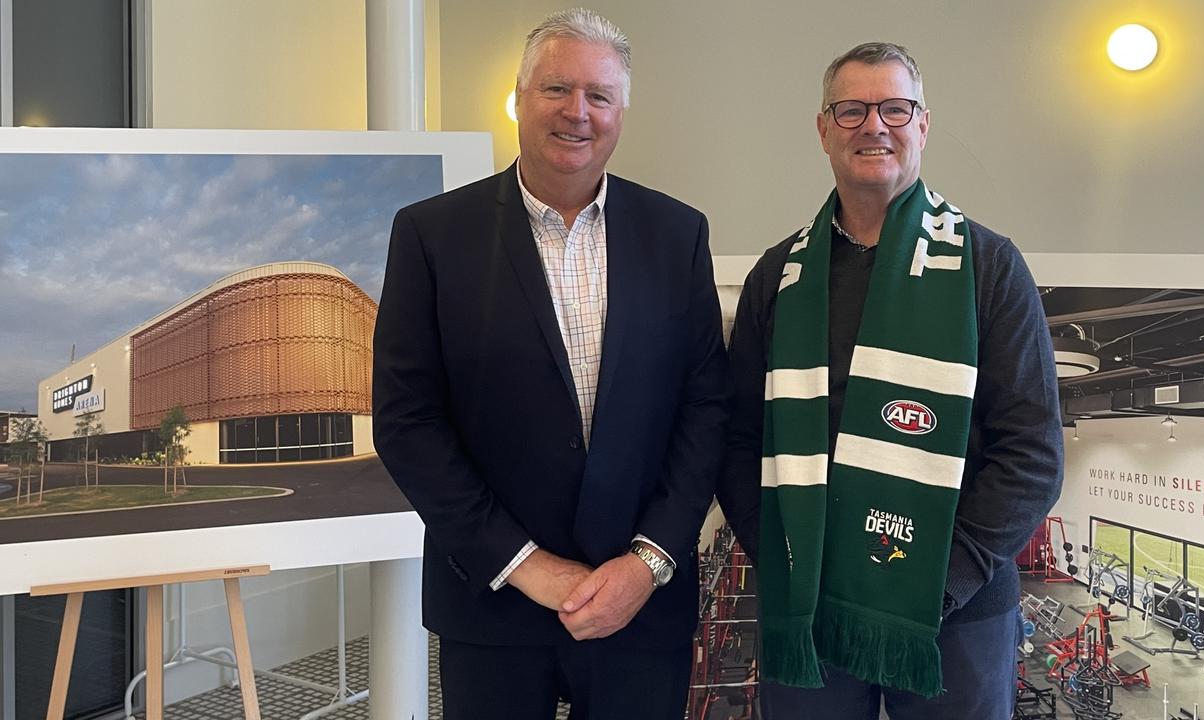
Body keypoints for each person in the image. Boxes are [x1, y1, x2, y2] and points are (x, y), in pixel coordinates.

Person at [372, 8, 728, 720]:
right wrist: (524, 564)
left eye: (599, 96)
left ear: (621, 112)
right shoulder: (431, 235)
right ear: (518, 98)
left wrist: (648, 561)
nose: (578, 113)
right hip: (493, 605)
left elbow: (706, 409)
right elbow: (408, 423)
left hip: (640, 608)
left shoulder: (677, 233)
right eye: (556, 90)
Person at [716, 42, 1063, 719]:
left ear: (922, 125)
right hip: (808, 606)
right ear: (824, 130)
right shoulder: (778, 276)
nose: (874, 126)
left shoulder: (988, 268)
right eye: (852, 110)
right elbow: (736, 440)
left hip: (951, 615)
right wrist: (784, 560)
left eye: (894, 109)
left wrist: (935, 581)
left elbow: (1032, 454)